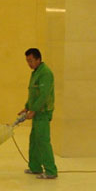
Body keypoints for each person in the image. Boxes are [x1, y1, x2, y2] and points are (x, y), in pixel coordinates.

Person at [19, 48, 57, 179]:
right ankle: (35, 167)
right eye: (27, 61)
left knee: (43, 141)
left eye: (30, 61)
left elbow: (43, 96)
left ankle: (51, 171)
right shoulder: (36, 72)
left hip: (43, 113)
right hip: (36, 112)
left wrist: (34, 110)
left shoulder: (45, 73)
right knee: (34, 141)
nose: (29, 64)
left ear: (38, 59)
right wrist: (26, 108)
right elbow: (34, 94)